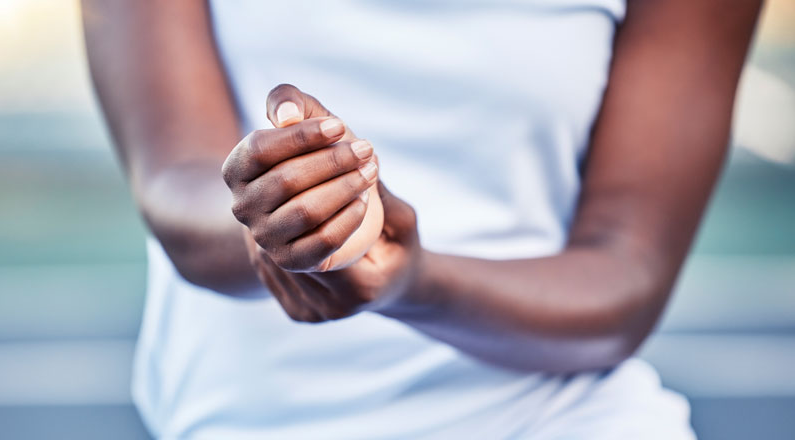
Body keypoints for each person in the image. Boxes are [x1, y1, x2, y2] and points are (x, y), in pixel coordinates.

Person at [81, 0, 761, 438]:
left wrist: (408, 278)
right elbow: (175, 184)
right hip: (248, 421)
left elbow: (626, 274)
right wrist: (282, 217)